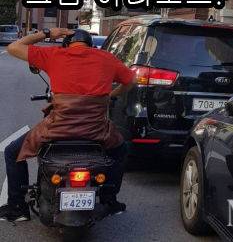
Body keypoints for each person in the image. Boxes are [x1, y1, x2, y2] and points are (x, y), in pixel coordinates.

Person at [0, 28, 136, 223]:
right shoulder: (107, 58)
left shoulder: (54, 54)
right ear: (90, 44)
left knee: (12, 152)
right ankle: (109, 201)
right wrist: (111, 95)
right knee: (121, 150)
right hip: (97, 130)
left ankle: (17, 207)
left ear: (67, 44)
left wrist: (47, 33)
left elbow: (14, 47)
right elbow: (131, 80)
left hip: (57, 129)